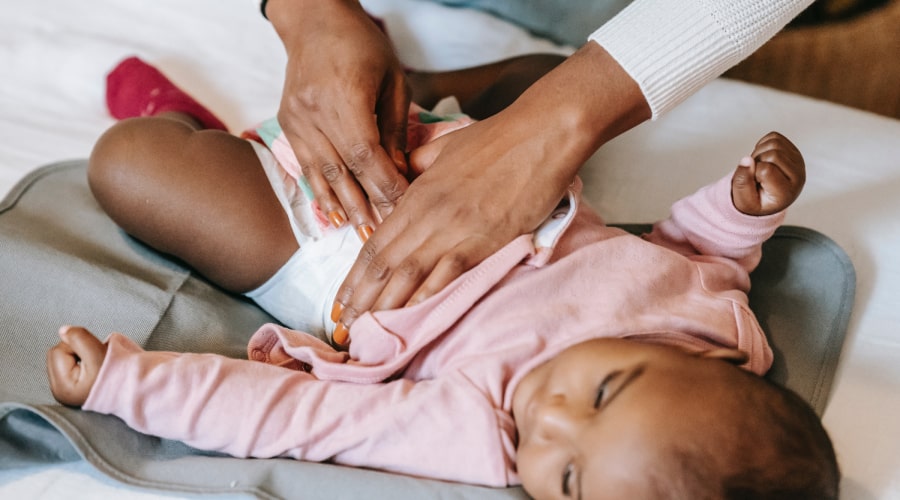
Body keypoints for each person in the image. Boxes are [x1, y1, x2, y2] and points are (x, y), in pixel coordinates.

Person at [46, 58, 838, 498]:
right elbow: (698, 258)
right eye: (605, 392)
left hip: (341, 243)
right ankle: (411, 85)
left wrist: (129, 384)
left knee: (133, 165)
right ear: (716, 360)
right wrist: (743, 212)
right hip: (491, 163)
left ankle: (187, 122)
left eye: (566, 479)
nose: (551, 416)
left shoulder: (478, 429)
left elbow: (302, 419)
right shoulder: (714, 324)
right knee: (554, 75)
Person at [258, 0, 818, 343]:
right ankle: (412, 91)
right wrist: (310, 12)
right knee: (542, 74)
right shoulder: (708, 342)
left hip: (326, 249)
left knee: (200, 174)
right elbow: (703, 266)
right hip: (446, 139)